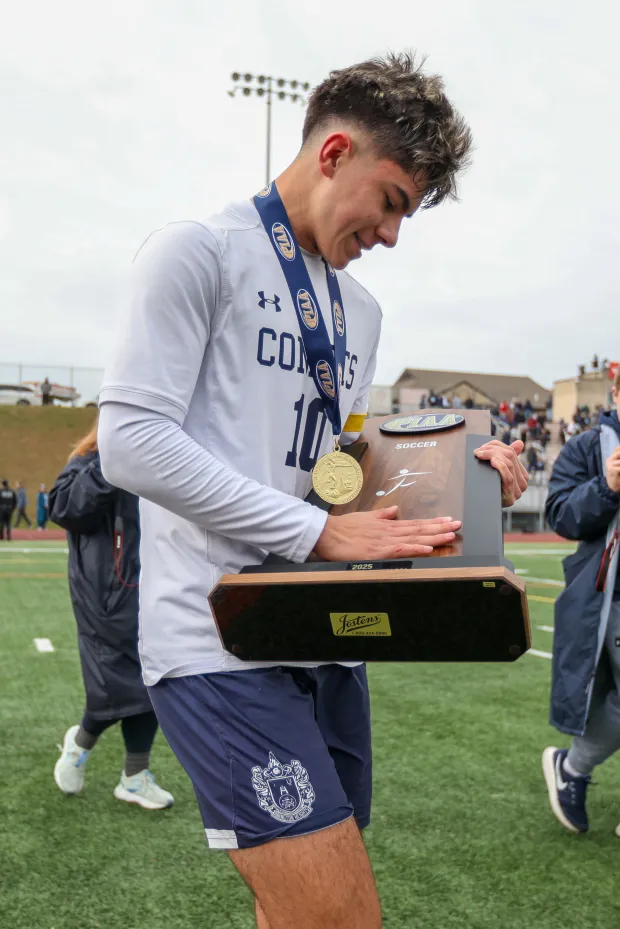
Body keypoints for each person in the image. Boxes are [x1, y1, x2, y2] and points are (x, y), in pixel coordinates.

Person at [98, 53, 527, 929]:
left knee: (295, 911)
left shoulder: (360, 312)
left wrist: (463, 468)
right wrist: (312, 532)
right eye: (392, 201)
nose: (393, 235)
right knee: (340, 918)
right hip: (217, 635)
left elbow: (335, 469)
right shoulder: (198, 251)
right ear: (334, 154)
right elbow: (131, 442)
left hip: (326, 635)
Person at [49, 420, 173, 810]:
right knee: (114, 687)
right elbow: (64, 508)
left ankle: (134, 776)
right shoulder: (88, 460)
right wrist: (114, 461)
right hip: (105, 596)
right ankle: (81, 744)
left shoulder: (160, 457)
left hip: (154, 590)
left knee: (154, 680)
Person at [542, 367, 620, 835]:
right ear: (615, 395)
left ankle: (571, 768)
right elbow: (561, 515)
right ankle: (572, 767)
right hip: (610, 594)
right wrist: (607, 486)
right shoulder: (589, 447)